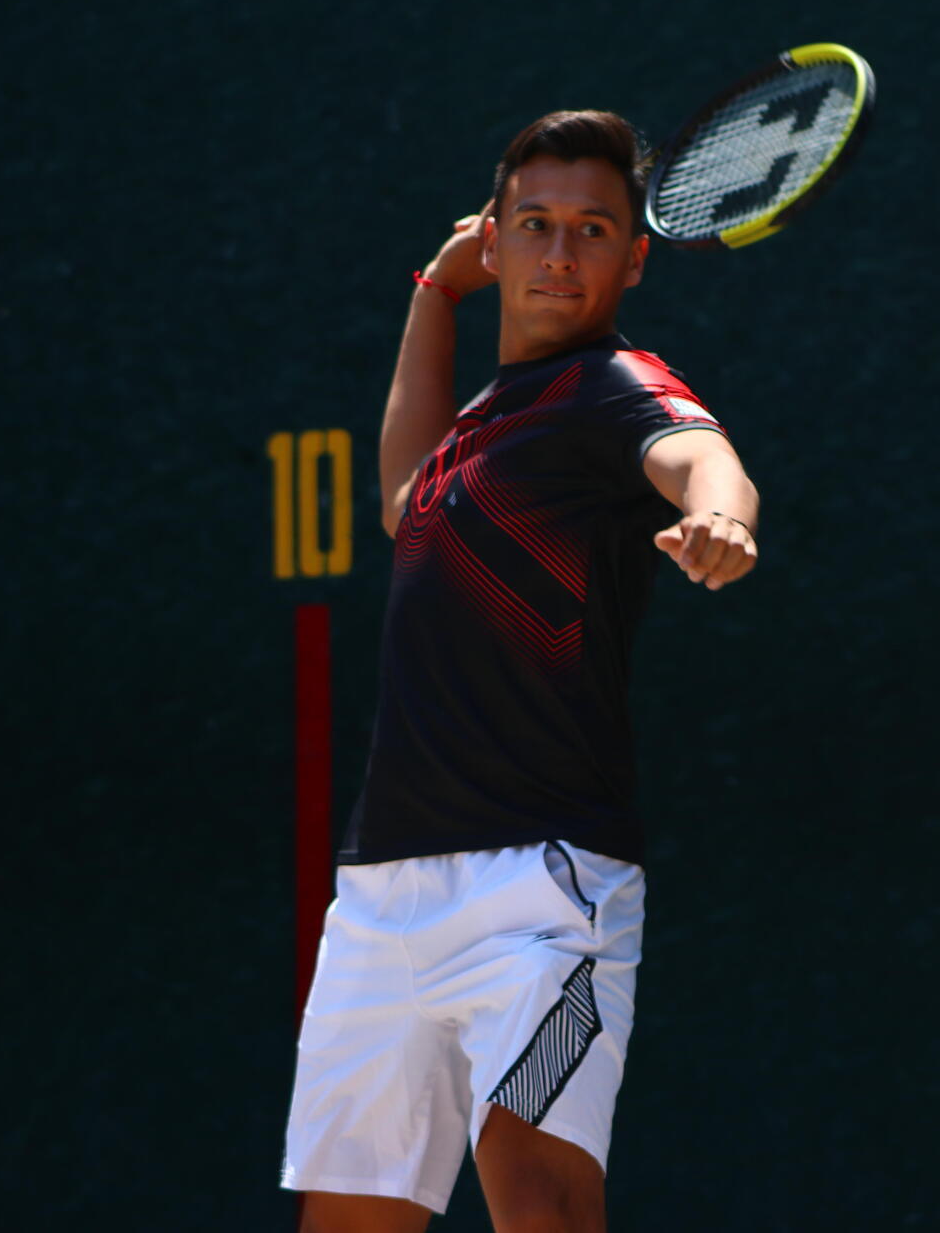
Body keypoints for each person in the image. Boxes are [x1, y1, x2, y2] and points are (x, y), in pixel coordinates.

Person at [282, 110, 760, 1232]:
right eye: (533, 224)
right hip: (384, 901)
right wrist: (430, 295)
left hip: (543, 895)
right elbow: (406, 504)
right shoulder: (482, 428)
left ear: (632, 258)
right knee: (350, 1222)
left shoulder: (614, 385)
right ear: (492, 241)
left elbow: (702, 456)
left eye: (591, 229)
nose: (558, 253)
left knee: (539, 1198)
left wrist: (723, 520)